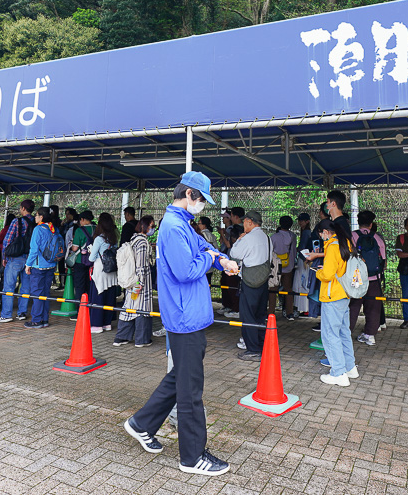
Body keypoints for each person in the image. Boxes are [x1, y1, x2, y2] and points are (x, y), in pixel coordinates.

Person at [123, 171, 234, 476]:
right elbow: (187, 270)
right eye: (201, 200)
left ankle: (141, 423)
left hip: (189, 317)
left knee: (179, 378)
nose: (203, 206)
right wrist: (212, 260)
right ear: (188, 196)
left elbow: (203, 250)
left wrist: (218, 258)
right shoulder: (173, 228)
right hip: (185, 318)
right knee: (190, 390)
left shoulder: (181, 224)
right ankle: (193, 456)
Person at [314, 218, 359, 386]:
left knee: (330, 334)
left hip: (332, 295)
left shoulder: (332, 247)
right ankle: (350, 368)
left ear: (326, 232)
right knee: (343, 332)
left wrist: (318, 273)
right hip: (344, 294)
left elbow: (327, 275)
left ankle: (338, 373)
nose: (321, 237)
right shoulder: (346, 243)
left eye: (321, 234)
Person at [229, 210, 271, 361]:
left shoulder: (248, 238)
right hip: (263, 280)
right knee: (260, 315)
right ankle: (261, 345)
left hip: (249, 281)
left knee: (247, 315)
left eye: (244, 221)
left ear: (250, 222)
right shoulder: (267, 238)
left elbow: (234, 254)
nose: (242, 224)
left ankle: (252, 349)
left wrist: (239, 239)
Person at [114, 215, 156, 347]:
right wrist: (141, 283)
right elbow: (142, 265)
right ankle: (142, 339)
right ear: (144, 227)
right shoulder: (142, 243)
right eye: (152, 226)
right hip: (140, 282)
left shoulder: (134, 240)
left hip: (132, 280)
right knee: (142, 308)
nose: (153, 229)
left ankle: (122, 337)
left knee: (129, 306)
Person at [0, 199, 35, 323]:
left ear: (23, 208)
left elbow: (7, 240)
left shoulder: (17, 221)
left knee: (9, 286)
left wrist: (5, 258)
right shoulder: (37, 222)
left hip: (15, 258)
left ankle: (6, 314)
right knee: (26, 287)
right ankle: (22, 313)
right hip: (30, 258)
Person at [349, 210, 386, 345]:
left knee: (353, 306)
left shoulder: (352, 236)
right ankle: (369, 335)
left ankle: (347, 332)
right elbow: (383, 260)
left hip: (356, 278)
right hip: (374, 277)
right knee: (373, 306)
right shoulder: (377, 238)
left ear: (358, 222)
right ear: (371, 224)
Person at [24, 207, 60, 328]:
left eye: (37, 215)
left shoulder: (38, 229)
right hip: (51, 265)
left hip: (38, 267)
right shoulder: (54, 229)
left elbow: (34, 250)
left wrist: (28, 264)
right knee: (45, 293)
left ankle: (36, 320)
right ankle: (44, 319)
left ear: (41, 217)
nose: (35, 217)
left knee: (37, 294)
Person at [88, 212, 119, 333]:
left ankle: (97, 325)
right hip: (112, 270)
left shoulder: (99, 239)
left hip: (101, 270)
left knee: (98, 297)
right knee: (109, 297)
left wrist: (90, 251)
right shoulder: (114, 237)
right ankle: (107, 324)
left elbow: (92, 258)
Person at [271, 215, 297, 320]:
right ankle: (289, 313)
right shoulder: (293, 236)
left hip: (276, 266)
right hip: (288, 266)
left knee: (272, 289)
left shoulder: (274, 237)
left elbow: (270, 251)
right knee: (288, 289)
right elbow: (294, 251)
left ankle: (271, 312)